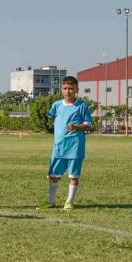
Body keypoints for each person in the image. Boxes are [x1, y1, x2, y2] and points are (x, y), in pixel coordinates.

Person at [37, 76, 93, 210]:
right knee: (53, 175)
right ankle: (50, 201)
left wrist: (77, 127)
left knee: (73, 175)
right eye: (65, 88)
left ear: (77, 90)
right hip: (59, 147)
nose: (68, 91)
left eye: (71, 88)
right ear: (61, 89)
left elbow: (89, 125)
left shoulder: (82, 106)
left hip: (75, 146)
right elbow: (51, 115)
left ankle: (69, 201)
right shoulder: (56, 105)